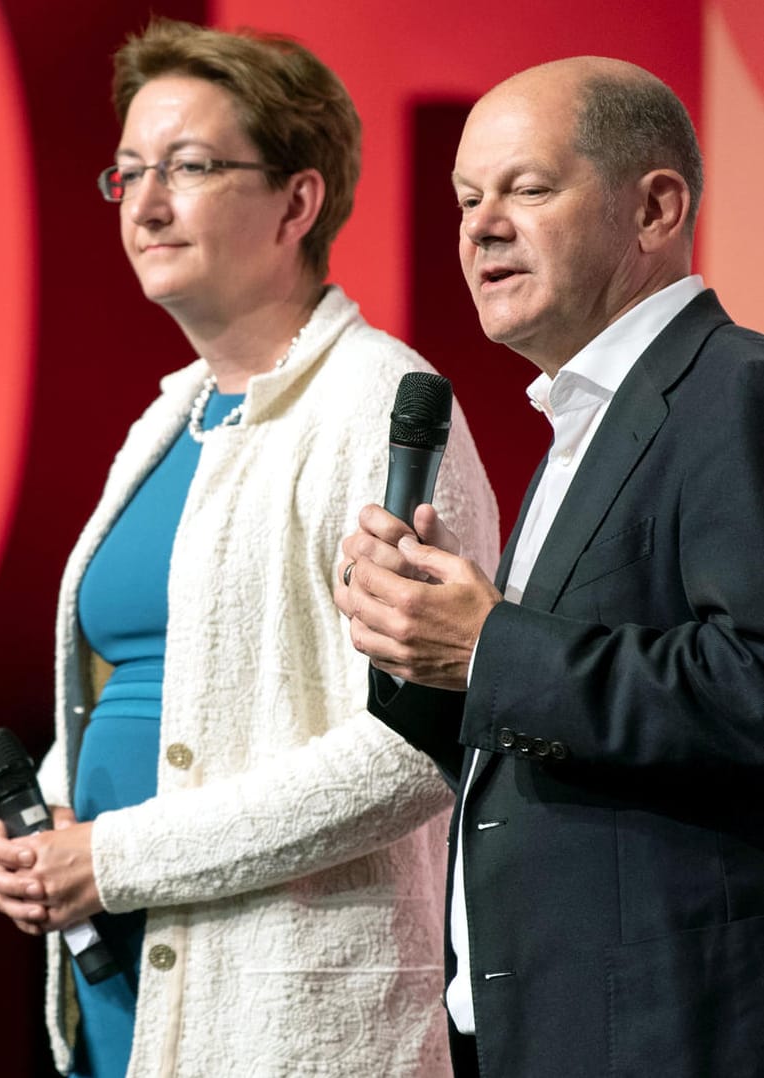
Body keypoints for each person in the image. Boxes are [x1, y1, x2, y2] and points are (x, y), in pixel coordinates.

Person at [0, 18, 498, 1077]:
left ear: (298, 202)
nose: (147, 204)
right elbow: (143, 677)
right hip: (121, 983)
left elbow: (409, 753)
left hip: (280, 1014)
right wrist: (47, 820)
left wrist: (113, 856)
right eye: (127, 173)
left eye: (190, 167)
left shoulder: (378, 407)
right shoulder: (171, 414)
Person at [335, 57, 764, 1077]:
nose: (480, 227)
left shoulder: (735, 392)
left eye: (526, 188)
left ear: (656, 207)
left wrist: (492, 647)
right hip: (543, 1025)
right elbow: (555, 737)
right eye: (464, 199)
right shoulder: (583, 425)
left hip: (675, 1028)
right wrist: (427, 656)